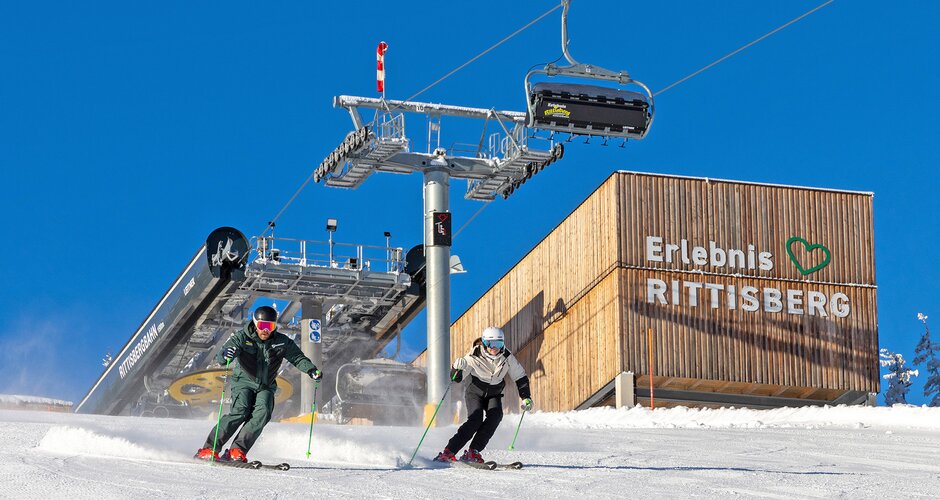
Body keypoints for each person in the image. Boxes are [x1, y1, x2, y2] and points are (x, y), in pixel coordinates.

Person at [195, 305, 322, 462]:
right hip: (243, 382)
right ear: (255, 324)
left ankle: (236, 451)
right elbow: (225, 354)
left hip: (266, 385)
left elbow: (297, 358)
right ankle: (209, 448)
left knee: (262, 414)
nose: (265, 330)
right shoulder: (242, 337)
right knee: (240, 411)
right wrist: (226, 355)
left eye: (270, 326)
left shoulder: (282, 342)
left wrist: (311, 370)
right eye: (262, 326)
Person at [434, 326, 533, 464]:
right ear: (484, 343)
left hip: (494, 393)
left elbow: (520, 376)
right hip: (475, 392)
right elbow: (457, 378)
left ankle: (473, 451)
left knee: (496, 416)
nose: (494, 348)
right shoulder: (472, 356)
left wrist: (526, 397)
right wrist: (456, 368)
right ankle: (449, 451)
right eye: (490, 344)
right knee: (475, 420)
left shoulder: (507, 357)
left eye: (498, 344)